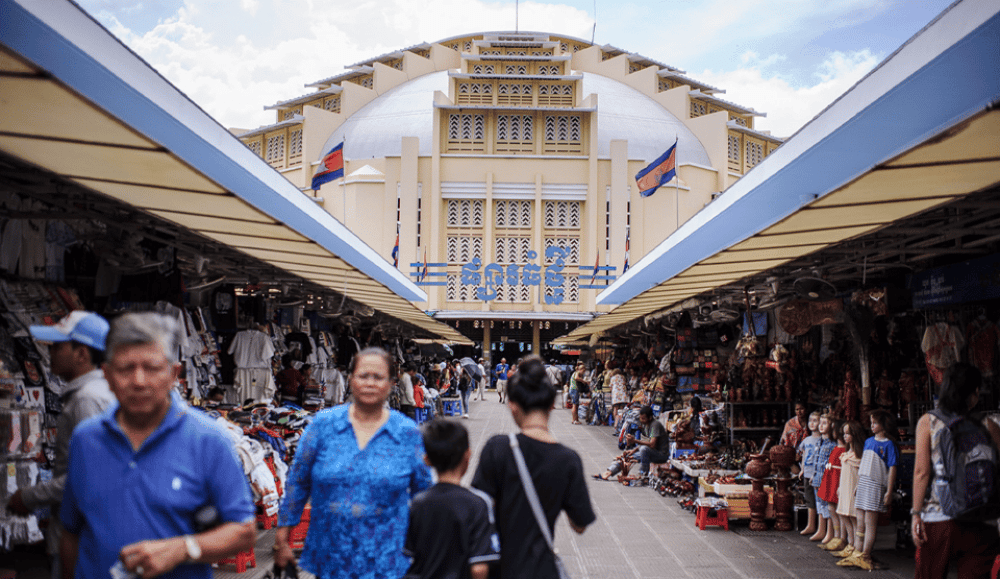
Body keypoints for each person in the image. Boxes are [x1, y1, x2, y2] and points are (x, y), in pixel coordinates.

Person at [59, 312, 255, 579]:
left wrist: (185, 548)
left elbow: (243, 530)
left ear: (174, 374)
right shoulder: (86, 439)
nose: (139, 381)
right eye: (126, 368)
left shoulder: (207, 440)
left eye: (152, 368)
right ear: (107, 374)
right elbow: (71, 530)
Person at [274, 347, 433, 579]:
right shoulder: (323, 426)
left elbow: (424, 495)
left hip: (388, 559)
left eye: (378, 377)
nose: (370, 383)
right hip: (330, 557)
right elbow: (297, 483)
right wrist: (282, 538)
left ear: (390, 384)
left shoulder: (407, 433)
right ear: (350, 380)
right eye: (363, 376)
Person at [7, 312, 115, 579]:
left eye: (58, 346)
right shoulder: (97, 394)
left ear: (81, 354)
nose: (51, 353)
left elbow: (88, 478)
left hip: (83, 539)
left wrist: (28, 498)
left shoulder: (86, 401)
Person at [472, 356, 594, 579]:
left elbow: (479, 508)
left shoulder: (497, 449)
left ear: (513, 406)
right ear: (551, 405)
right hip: (542, 569)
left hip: (501, 568)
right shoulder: (568, 459)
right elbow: (579, 524)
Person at [912, 363, 1000, 578]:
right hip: (980, 518)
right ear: (975, 392)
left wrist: (915, 513)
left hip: (938, 516)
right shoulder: (989, 425)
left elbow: (921, 472)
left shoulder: (928, 422)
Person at [404, 419, 500, 579]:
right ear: (468, 456)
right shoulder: (477, 503)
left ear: (426, 460)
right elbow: (479, 567)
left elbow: (410, 556)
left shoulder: (418, 503)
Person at [839, 409, 899, 571]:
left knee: (869, 523)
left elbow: (892, 468)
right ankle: (857, 552)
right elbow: (864, 465)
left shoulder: (889, 444)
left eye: (875, 423)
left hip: (876, 485)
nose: (871, 425)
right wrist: (858, 484)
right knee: (860, 522)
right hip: (863, 483)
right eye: (871, 422)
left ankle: (865, 555)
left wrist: (888, 491)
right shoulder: (868, 442)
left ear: (884, 425)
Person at [833, 420, 865, 560]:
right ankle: (850, 543)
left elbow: (861, 474)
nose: (845, 436)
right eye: (844, 433)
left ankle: (856, 546)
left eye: (848, 433)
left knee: (853, 516)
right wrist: (840, 487)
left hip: (853, 487)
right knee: (844, 514)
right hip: (845, 487)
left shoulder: (858, 455)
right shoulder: (847, 453)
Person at [816, 415, 845, 551]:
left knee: (839, 510)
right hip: (830, 478)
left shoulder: (840, 449)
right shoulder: (834, 447)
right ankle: (836, 536)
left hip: (837, 480)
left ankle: (840, 537)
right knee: (830, 507)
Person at [809, 414, 836, 543]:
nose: (821, 425)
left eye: (824, 423)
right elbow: (816, 460)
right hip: (817, 478)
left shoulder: (832, 444)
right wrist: (813, 475)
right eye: (820, 422)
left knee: (827, 506)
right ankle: (821, 529)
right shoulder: (819, 441)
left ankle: (830, 532)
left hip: (826, 479)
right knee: (819, 505)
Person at [626, 405, 671, 479]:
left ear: (650, 418)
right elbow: (646, 442)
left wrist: (634, 440)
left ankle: (643, 473)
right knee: (628, 456)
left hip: (661, 455)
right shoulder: (646, 425)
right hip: (653, 452)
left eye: (643, 419)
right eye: (640, 418)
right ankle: (610, 472)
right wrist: (633, 450)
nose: (641, 420)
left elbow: (652, 444)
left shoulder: (655, 425)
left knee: (643, 449)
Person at [796, 411, 822, 537]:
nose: (812, 423)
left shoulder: (822, 440)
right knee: (809, 499)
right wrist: (802, 469)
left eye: (815, 420)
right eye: (810, 420)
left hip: (818, 474)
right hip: (807, 472)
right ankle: (810, 525)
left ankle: (821, 527)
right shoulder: (806, 440)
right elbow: (804, 454)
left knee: (820, 501)